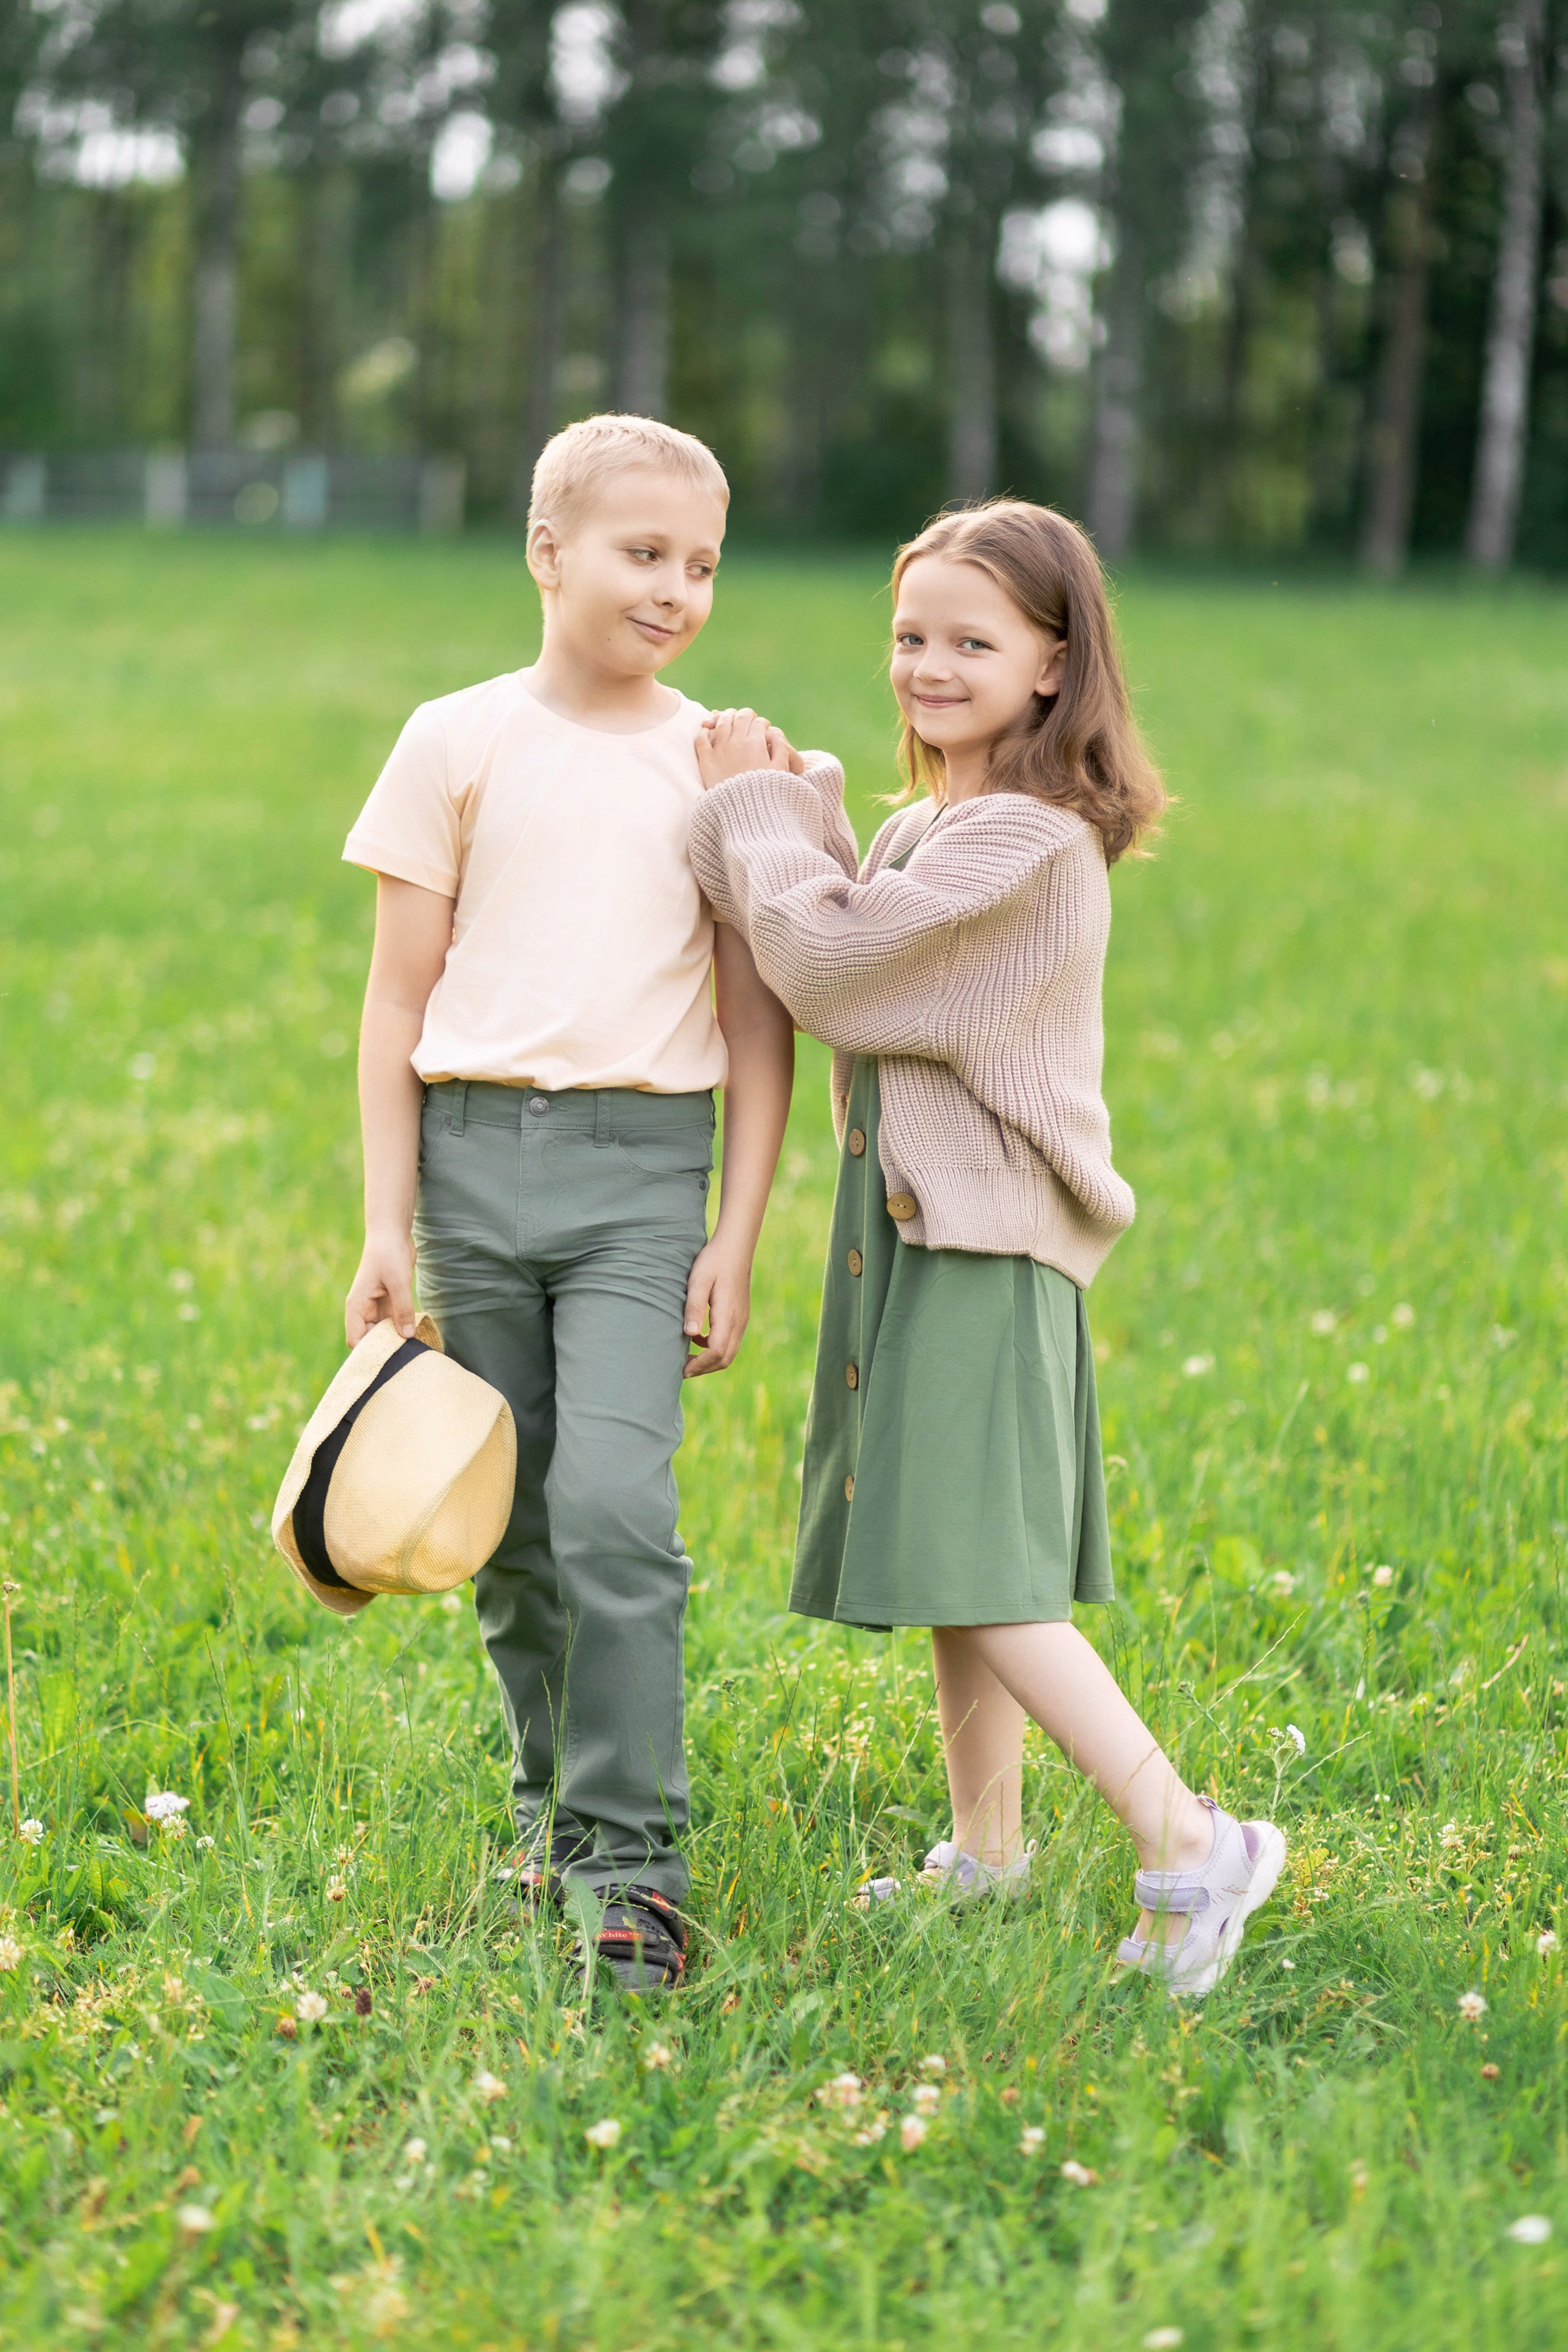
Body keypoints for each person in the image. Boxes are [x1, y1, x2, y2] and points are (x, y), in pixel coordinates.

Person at [689, 500, 1284, 1993]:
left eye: (972, 640)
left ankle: (1192, 1840)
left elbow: (830, 965)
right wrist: (806, 799)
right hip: (912, 1234)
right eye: (908, 636)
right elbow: (848, 914)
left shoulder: (1025, 839)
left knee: (985, 1573)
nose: (928, 665)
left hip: (983, 1241)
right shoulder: (931, 826)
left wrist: (755, 815)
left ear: (1052, 665)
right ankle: (989, 1856)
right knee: (957, 1562)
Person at [342, 414, 794, 1994]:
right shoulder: (454, 741)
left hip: (639, 1181)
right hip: (473, 1172)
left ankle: (633, 1862)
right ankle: (547, 1804)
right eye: (643, 554)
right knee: (514, 1532)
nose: (676, 591)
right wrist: (388, 1226)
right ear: (547, 554)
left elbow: (755, 1026)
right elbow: (397, 1004)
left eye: (702, 566)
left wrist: (731, 1238)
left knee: (613, 1513)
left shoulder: (723, 766)